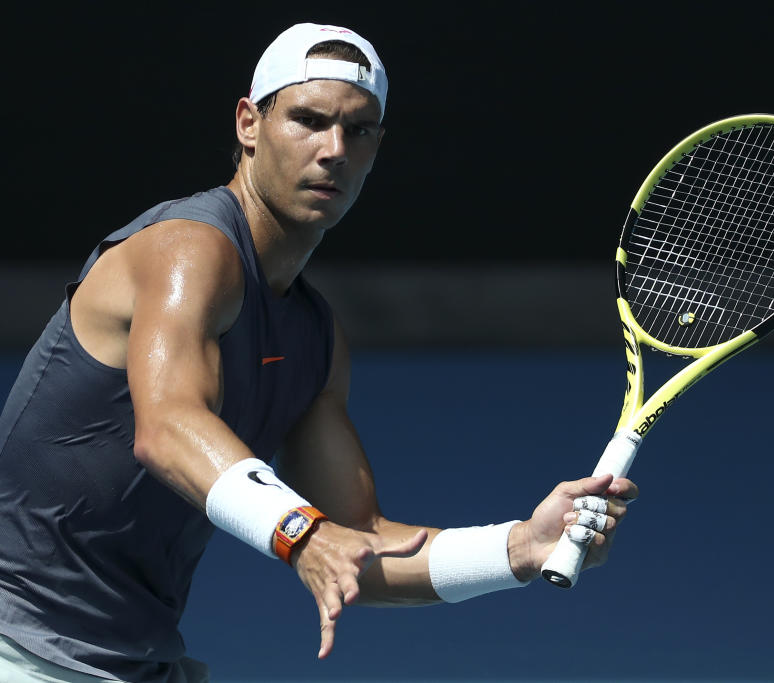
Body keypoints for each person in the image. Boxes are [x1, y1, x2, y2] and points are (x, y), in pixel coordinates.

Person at [0, 23, 637, 682]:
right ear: (250, 123)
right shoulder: (189, 250)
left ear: (376, 148)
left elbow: (358, 538)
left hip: (122, 658)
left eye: (358, 130)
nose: (333, 149)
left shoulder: (315, 338)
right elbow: (167, 428)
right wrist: (301, 532)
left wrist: (519, 546)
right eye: (308, 119)